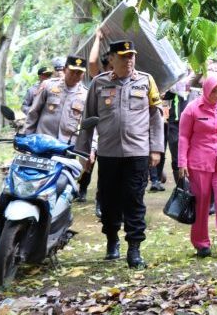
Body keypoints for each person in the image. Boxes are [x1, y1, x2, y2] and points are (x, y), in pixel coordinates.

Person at [76, 40, 165, 269]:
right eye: (124, 56)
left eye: (131, 56)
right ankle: (112, 239)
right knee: (108, 200)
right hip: (108, 153)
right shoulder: (99, 83)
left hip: (137, 153)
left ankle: (134, 249)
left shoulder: (146, 81)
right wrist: (85, 152)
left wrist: (156, 148)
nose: (129, 60)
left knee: (134, 200)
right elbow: (88, 119)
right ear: (112, 59)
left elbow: (156, 118)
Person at [178, 72, 217, 259]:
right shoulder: (192, 109)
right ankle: (201, 242)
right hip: (199, 162)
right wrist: (182, 162)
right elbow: (183, 136)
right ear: (206, 89)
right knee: (202, 202)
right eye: (214, 91)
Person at [23, 55, 88, 142]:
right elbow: (33, 113)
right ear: (65, 70)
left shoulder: (86, 95)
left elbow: (89, 124)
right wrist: (26, 137)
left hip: (67, 146)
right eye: (72, 71)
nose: (75, 75)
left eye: (79, 73)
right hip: (42, 140)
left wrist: (92, 147)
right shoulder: (48, 85)